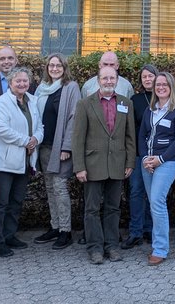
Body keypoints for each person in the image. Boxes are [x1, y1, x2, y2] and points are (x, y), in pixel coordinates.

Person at [72, 65, 135, 265]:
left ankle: (112, 246)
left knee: (113, 208)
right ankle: (95, 248)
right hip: (92, 165)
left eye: (112, 78)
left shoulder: (126, 103)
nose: (108, 81)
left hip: (117, 164)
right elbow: (78, 138)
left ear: (117, 80)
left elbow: (130, 136)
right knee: (91, 209)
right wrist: (79, 166)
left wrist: (130, 162)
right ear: (98, 80)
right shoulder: (85, 104)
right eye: (105, 78)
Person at [0, 66, 43, 258]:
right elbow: (0, 129)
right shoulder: (2, 102)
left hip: (24, 161)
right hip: (3, 161)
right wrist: (27, 141)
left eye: (25, 80)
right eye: (18, 81)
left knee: (16, 202)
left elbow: (39, 126)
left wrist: (36, 139)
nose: (22, 84)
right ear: (10, 83)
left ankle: (9, 236)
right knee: (0, 204)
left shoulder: (33, 101)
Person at [138, 72, 175, 266]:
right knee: (154, 203)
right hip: (148, 163)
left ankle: (160, 249)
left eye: (164, 84)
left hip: (168, 161)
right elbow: (142, 135)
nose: (160, 87)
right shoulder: (150, 109)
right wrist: (145, 158)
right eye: (157, 84)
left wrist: (160, 159)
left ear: (171, 87)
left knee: (157, 202)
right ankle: (158, 243)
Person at [32, 53, 79, 250]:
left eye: (59, 65)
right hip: (44, 146)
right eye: (51, 65)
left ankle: (65, 231)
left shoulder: (71, 87)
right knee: (50, 188)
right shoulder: (41, 88)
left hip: (60, 148)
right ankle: (55, 227)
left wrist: (67, 147)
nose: (55, 68)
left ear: (64, 68)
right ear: (47, 68)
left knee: (60, 187)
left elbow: (74, 118)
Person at [121, 64, 157, 249]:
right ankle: (135, 231)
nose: (148, 79)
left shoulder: (164, 98)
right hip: (138, 154)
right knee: (136, 192)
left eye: (151, 76)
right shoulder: (134, 100)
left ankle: (150, 229)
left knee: (154, 194)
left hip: (158, 155)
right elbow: (130, 129)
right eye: (144, 77)